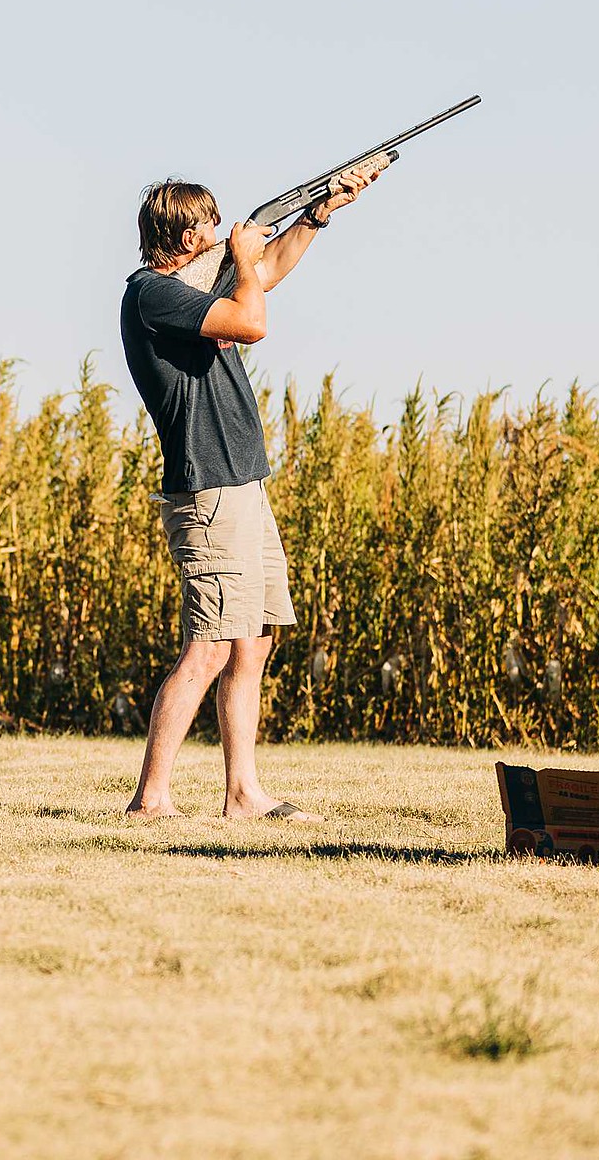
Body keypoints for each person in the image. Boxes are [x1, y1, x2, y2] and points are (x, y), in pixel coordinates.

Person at [119, 162, 382, 820]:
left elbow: (261, 279)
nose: (222, 226)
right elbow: (251, 318)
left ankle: (243, 794)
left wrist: (319, 213)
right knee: (207, 645)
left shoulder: (190, 290)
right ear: (184, 240)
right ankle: (151, 800)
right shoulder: (152, 293)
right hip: (208, 490)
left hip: (242, 482)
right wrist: (241, 256)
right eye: (210, 222)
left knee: (254, 638)